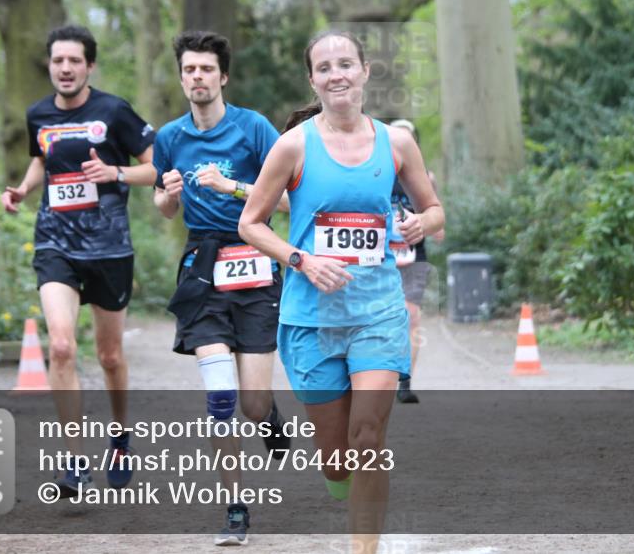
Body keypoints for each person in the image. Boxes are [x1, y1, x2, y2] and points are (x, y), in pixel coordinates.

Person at [239, 30, 445, 554]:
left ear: (365, 71)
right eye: (325, 67)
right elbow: (251, 223)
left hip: (377, 310)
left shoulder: (395, 143)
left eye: (346, 64)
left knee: (367, 438)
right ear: (313, 79)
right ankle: (341, 483)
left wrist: (423, 223)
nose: (337, 74)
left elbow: (435, 210)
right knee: (337, 459)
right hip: (311, 317)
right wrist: (302, 259)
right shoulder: (294, 145)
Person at [1, 24, 157, 496]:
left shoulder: (114, 111)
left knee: (109, 356)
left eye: (74, 61)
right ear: (49, 66)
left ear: (89, 66)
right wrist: (25, 188)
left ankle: (120, 435)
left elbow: (156, 168)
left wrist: (115, 172)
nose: (65, 69)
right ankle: (73, 461)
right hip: (56, 244)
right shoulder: (38, 115)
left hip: (109, 249)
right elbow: (41, 158)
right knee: (63, 347)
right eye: (57, 61)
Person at [152, 30, 291, 546]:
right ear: (182, 77)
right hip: (202, 269)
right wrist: (167, 197)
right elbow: (164, 207)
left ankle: (270, 415)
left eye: (206, 69)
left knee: (252, 404)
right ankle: (235, 508)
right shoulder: (169, 137)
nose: (197, 77)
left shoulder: (253, 128)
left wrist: (230, 185)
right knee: (220, 398)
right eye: (189, 70)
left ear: (223, 76)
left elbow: (285, 200)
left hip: (254, 260)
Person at [388, 119, 445, 404]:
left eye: (407, 138)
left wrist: (431, 225)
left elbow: (435, 216)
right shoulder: (376, 171)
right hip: (379, 255)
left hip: (413, 254)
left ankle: (405, 381)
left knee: (411, 315)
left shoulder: (425, 176)